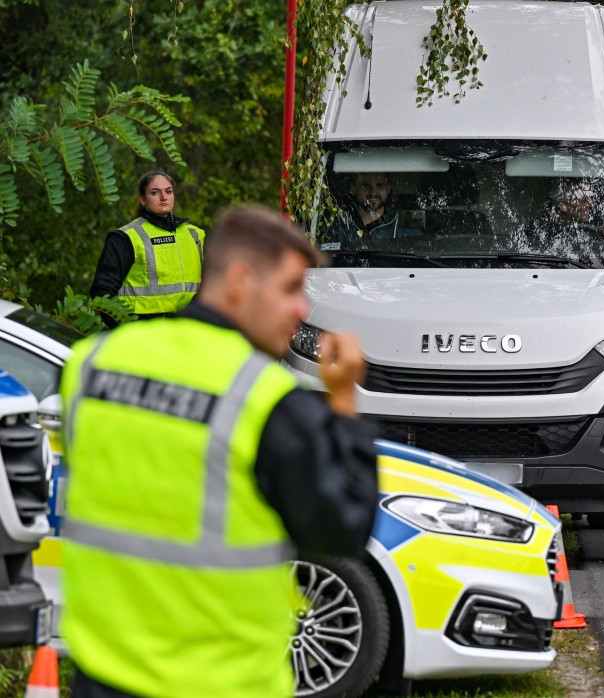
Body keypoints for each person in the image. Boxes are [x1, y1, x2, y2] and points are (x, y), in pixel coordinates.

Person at [60, 206, 379, 698]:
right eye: (291, 289)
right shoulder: (264, 399)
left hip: (102, 673)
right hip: (221, 681)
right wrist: (342, 402)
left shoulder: (91, 365)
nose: (301, 310)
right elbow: (344, 529)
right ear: (239, 280)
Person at [89, 171, 205, 328]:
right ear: (142, 199)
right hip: (141, 331)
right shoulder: (126, 237)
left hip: (186, 332)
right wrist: (125, 331)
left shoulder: (195, 235)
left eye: (168, 191)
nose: (164, 197)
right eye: (155, 192)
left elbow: (212, 286)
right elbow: (102, 292)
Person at [321, 171, 399, 245]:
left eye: (380, 185)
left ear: (388, 188)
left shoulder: (400, 223)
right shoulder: (337, 225)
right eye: (366, 185)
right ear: (353, 188)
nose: (373, 192)